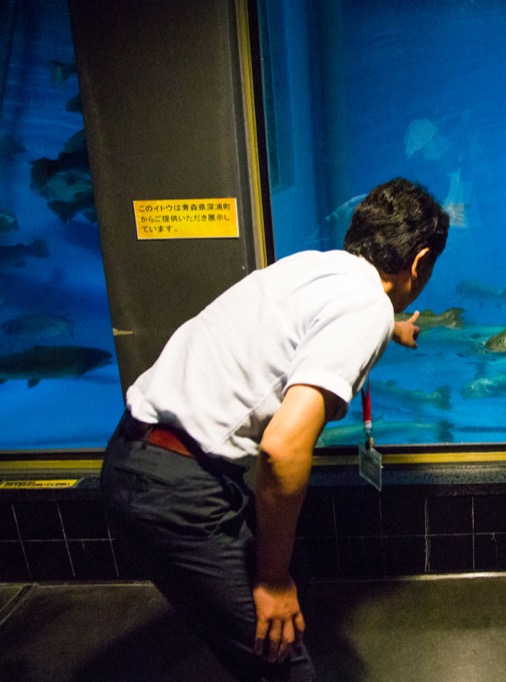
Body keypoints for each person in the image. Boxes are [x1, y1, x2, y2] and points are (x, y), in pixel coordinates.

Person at [101, 177, 449, 681]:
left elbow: (310, 325)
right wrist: (271, 580)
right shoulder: (366, 306)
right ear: (419, 263)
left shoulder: (311, 267)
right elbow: (282, 449)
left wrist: (392, 326)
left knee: (295, 575)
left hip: (136, 455)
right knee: (281, 661)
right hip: (175, 490)